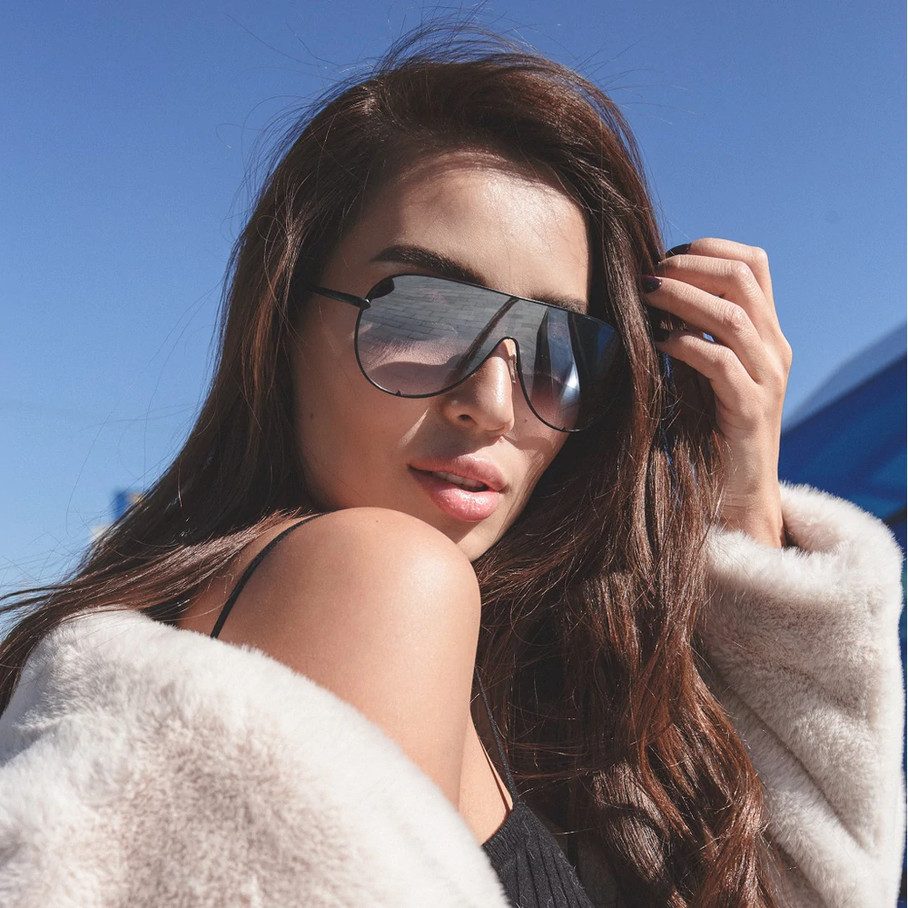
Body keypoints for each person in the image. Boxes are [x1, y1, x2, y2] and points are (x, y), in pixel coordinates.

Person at [0, 27, 902, 908]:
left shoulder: (532, 699)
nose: (494, 403)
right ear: (282, 327)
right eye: (423, 316)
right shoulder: (378, 576)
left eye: (560, 348)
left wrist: (744, 496)